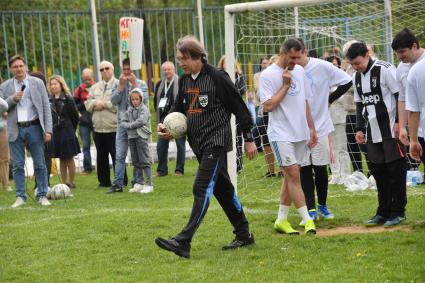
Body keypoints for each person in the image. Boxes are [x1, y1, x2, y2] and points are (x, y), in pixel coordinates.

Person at [155, 35, 257, 258]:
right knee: (223, 190)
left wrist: (249, 137)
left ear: (198, 57)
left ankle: (183, 241)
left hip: (216, 142)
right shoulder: (183, 81)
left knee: (201, 187)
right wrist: (166, 128)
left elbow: (239, 106)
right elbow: (177, 110)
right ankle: (244, 234)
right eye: (179, 58)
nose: (180, 63)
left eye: (184, 58)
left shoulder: (217, 77)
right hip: (198, 144)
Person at [259, 38, 318, 235]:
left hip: (300, 132)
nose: (295, 62)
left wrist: (312, 128)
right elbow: (268, 106)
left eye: (298, 57)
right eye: (292, 57)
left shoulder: (300, 71)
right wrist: (285, 85)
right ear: (282, 52)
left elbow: (306, 101)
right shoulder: (267, 75)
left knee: (289, 176)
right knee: (293, 175)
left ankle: (281, 220)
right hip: (280, 133)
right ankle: (307, 220)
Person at [346, 42, 406, 227]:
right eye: (353, 64)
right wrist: (359, 128)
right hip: (371, 132)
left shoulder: (385, 69)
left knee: (395, 172)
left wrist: (399, 123)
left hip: (389, 130)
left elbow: (399, 97)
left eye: (358, 63)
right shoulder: (356, 76)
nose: (356, 67)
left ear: (367, 55)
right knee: (378, 173)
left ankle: (398, 212)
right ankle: (383, 211)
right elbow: (359, 104)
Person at [297, 40, 352, 222]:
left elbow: (347, 81)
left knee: (320, 168)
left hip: (320, 126)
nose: (295, 60)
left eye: (298, 56)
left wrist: (330, 98)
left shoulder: (322, 66)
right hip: (298, 128)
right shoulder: (289, 69)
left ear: (305, 51)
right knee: (304, 168)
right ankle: (310, 209)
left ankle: (322, 205)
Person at [0, 55, 52, 207]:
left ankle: (42, 195)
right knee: (17, 165)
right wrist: (12, 99)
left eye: (21, 66)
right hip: (15, 128)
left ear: (26, 67)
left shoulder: (37, 83)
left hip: (35, 127)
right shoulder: (5, 87)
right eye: (15, 67)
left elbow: (46, 107)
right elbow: (1, 107)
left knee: (40, 163)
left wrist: (48, 130)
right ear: (11, 69)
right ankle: (20, 197)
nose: (19, 69)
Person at [109, 58, 149, 193]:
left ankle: (137, 182)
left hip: (137, 126)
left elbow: (146, 99)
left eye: (129, 70)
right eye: (124, 69)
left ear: (133, 70)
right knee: (119, 154)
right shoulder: (118, 84)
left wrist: (134, 84)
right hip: (123, 125)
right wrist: (120, 86)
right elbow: (113, 101)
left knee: (136, 155)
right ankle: (118, 184)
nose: (126, 72)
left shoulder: (141, 84)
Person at [391, 28, 425, 170]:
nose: (399, 56)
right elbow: (403, 99)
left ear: (414, 46)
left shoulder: (420, 67)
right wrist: (402, 126)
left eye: (402, 51)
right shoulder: (401, 69)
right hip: (419, 130)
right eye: (397, 52)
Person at [85, 61, 118, 189]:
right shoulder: (95, 87)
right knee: (101, 156)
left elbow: (118, 104)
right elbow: (88, 105)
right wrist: (95, 103)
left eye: (107, 68)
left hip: (113, 127)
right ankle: (104, 182)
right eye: (101, 70)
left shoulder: (118, 85)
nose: (104, 71)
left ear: (112, 69)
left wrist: (104, 104)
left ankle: (121, 179)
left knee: (117, 156)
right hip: (98, 128)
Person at [341, 40, 370, 174]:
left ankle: (372, 171)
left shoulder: (365, 65)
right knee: (351, 144)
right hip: (350, 111)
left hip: (363, 111)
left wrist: (344, 87)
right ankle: (358, 171)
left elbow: (353, 85)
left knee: (365, 144)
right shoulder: (349, 66)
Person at [154, 61, 185, 177]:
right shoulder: (159, 84)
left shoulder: (180, 82)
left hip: (177, 119)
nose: (167, 72)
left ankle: (179, 170)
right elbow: (155, 102)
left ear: (174, 70)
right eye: (165, 70)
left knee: (180, 145)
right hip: (163, 121)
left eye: (169, 69)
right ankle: (162, 170)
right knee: (161, 145)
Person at [48, 75, 80, 188]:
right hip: (56, 132)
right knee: (61, 158)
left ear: (61, 85)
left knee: (69, 157)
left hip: (67, 130)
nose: (53, 86)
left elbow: (75, 117)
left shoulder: (68, 98)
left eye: (55, 83)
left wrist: (71, 129)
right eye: (51, 84)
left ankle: (71, 182)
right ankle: (63, 182)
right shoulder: (49, 100)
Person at [326, 55, 352, 186]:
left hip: (340, 117)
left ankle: (345, 174)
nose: (334, 67)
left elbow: (343, 98)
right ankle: (335, 174)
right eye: (332, 65)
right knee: (331, 148)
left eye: (336, 64)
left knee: (342, 147)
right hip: (327, 119)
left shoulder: (343, 79)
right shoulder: (324, 80)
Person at [217, 55, 246, 173]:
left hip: (237, 112)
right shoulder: (218, 77)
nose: (227, 65)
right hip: (223, 113)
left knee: (238, 138)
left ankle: (238, 165)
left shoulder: (239, 77)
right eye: (225, 63)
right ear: (222, 64)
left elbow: (241, 91)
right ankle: (225, 165)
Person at [121, 88, 153, 193]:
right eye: (133, 99)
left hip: (141, 137)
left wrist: (129, 125)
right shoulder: (129, 110)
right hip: (132, 137)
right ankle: (139, 183)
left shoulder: (144, 109)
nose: (135, 101)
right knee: (136, 161)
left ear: (141, 99)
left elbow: (142, 121)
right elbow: (122, 122)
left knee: (144, 160)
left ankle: (149, 184)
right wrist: (129, 125)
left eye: (137, 99)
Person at [74, 68, 95, 174]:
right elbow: (75, 106)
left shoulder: (97, 88)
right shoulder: (78, 90)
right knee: (86, 145)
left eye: (89, 79)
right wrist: (85, 103)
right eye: (85, 79)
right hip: (84, 122)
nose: (87, 81)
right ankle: (87, 168)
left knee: (101, 144)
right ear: (82, 78)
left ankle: (102, 165)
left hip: (97, 120)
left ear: (93, 77)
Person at [0, 75, 10, 192]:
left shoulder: (3, 90)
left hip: (1, 127)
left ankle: (6, 184)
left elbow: (5, 105)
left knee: (4, 158)